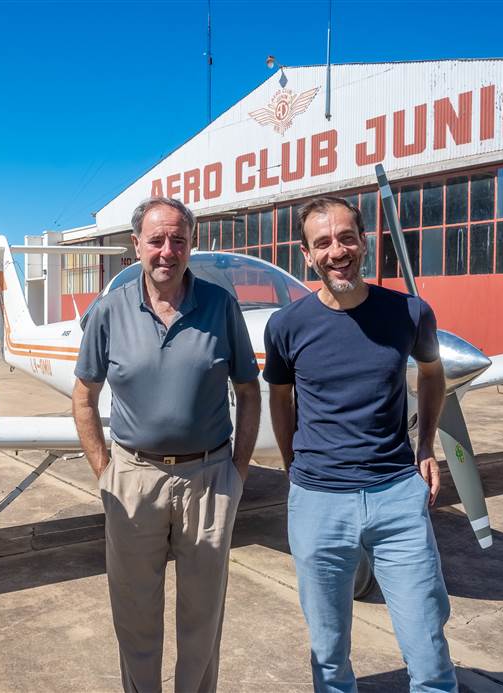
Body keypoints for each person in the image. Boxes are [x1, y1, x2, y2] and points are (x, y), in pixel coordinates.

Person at [263, 196, 456, 692]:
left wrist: (425, 445)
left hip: (396, 496)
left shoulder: (410, 313)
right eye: (322, 242)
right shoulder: (286, 326)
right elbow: (280, 401)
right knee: (328, 657)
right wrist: (294, 468)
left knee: (429, 652)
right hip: (317, 501)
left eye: (347, 237)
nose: (337, 251)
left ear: (365, 242)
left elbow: (432, 373)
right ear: (307, 255)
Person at [72, 196, 261, 692]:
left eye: (178, 239)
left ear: (191, 244)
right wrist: (106, 470)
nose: (167, 250)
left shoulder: (220, 306)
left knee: (203, 616)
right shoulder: (109, 311)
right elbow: (84, 398)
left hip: (209, 476)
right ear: (136, 245)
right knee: (135, 614)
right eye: (156, 239)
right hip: (134, 478)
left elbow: (248, 389)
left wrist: (237, 472)